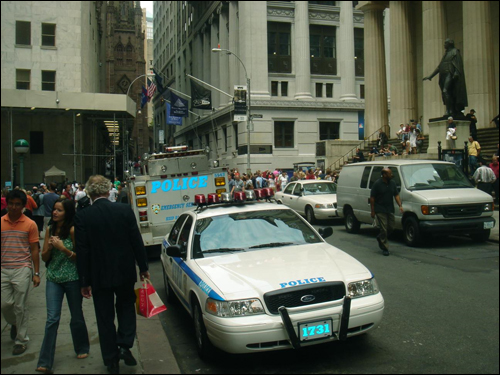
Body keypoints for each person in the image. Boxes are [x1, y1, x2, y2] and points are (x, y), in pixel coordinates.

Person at [74, 175, 149, 374]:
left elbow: (82, 250)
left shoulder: (83, 216)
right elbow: (136, 241)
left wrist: (84, 280)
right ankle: (125, 343)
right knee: (126, 308)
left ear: (89, 193)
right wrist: (143, 267)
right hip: (124, 271)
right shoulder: (124, 210)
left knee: (104, 317)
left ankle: (111, 359)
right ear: (108, 191)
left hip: (99, 275)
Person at [36, 199, 90, 374]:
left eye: (59, 210)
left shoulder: (73, 230)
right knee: (52, 318)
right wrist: (50, 248)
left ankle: (82, 346)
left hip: (72, 278)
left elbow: (80, 257)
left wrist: (63, 248)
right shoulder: (50, 229)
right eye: (54, 210)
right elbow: (44, 258)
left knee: (76, 315)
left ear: (67, 212)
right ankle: (45, 361)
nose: (55, 213)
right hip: (53, 278)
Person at [1, 189, 40, 356]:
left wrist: (36, 273)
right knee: (5, 304)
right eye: (11, 204)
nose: (14, 207)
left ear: (24, 206)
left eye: (18, 204)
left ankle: (21, 340)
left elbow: (34, 250)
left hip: (22, 268)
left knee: (20, 306)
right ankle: (15, 323)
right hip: (3, 268)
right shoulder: (0, 222)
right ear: (7, 204)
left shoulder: (30, 224)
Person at [423, 38, 468, 117]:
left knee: (445, 91)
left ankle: (449, 110)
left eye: (445, 43)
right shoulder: (446, 54)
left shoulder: (455, 52)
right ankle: (450, 109)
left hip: (450, 74)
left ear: (449, 44)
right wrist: (430, 76)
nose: (444, 45)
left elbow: (458, 64)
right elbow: (439, 67)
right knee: (446, 92)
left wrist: (456, 72)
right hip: (443, 75)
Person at [370, 168, 404, 256]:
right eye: (389, 173)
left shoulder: (392, 183)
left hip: (390, 209)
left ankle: (380, 237)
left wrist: (400, 205)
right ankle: (385, 247)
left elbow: (396, 195)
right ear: (384, 175)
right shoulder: (377, 184)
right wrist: (373, 211)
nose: (391, 175)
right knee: (384, 228)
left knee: (391, 227)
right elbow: (372, 198)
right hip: (380, 209)